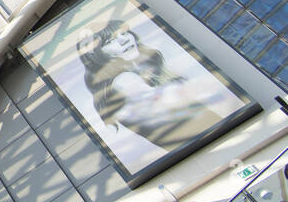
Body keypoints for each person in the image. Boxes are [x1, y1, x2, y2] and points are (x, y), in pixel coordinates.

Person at [77, 23, 227, 166]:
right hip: (206, 140)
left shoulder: (137, 73)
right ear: (97, 55)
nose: (125, 40)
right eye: (111, 41)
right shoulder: (124, 80)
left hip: (203, 143)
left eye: (123, 33)